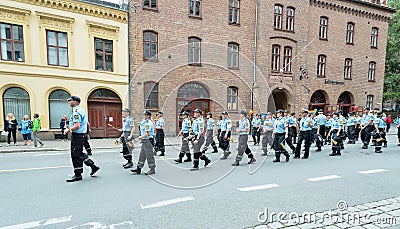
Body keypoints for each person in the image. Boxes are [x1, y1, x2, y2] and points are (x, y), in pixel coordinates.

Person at [64, 96, 100, 182]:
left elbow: (77, 126)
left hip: (78, 135)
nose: (69, 102)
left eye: (70, 101)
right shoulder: (81, 110)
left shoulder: (77, 112)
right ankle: (93, 166)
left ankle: (78, 174)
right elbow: (86, 122)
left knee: (75, 155)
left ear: (75, 102)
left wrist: (68, 130)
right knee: (79, 153)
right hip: (82, 135)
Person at [131, 110, 156, 175]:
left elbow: (147, 134)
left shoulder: (148, 123)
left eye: (145, 115)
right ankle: (138, 169)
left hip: (148, 141)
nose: (143, 116)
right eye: (143, 115)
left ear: (148, 116)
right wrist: (141, 138)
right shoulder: (144, 122)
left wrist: (140, 138)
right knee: (142, 155)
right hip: (145, 140)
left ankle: (152, 169)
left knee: (149, 156)